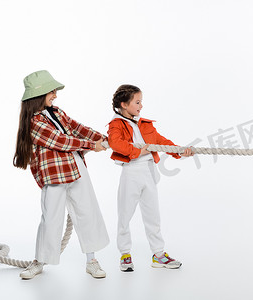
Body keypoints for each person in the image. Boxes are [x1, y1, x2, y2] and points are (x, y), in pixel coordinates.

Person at [13, 70, 109, 279]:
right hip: (54, 174)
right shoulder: (34, 122)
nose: (55, 94)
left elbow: (78, 128)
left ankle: (91, 260)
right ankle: (39, 260)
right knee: (51, 218)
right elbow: (60, 141)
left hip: (75, 167)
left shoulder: (58, 112)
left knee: (87, 211)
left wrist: (105, 138)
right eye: (52, 91)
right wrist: (93, 145)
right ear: (40, 94)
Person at [108, 84, 194, 272]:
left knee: (153, 215)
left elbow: (161, 141)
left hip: (149, 171)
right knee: (125, 215)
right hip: (131, 172)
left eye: (141, 102)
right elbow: (115, 143)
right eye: (137, 102)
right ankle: (125, 254)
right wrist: (138, 151)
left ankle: (158, 254)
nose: (141, 106)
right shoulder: (116, 124)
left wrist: (180, 151)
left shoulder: (145, 124)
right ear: (123, 104)